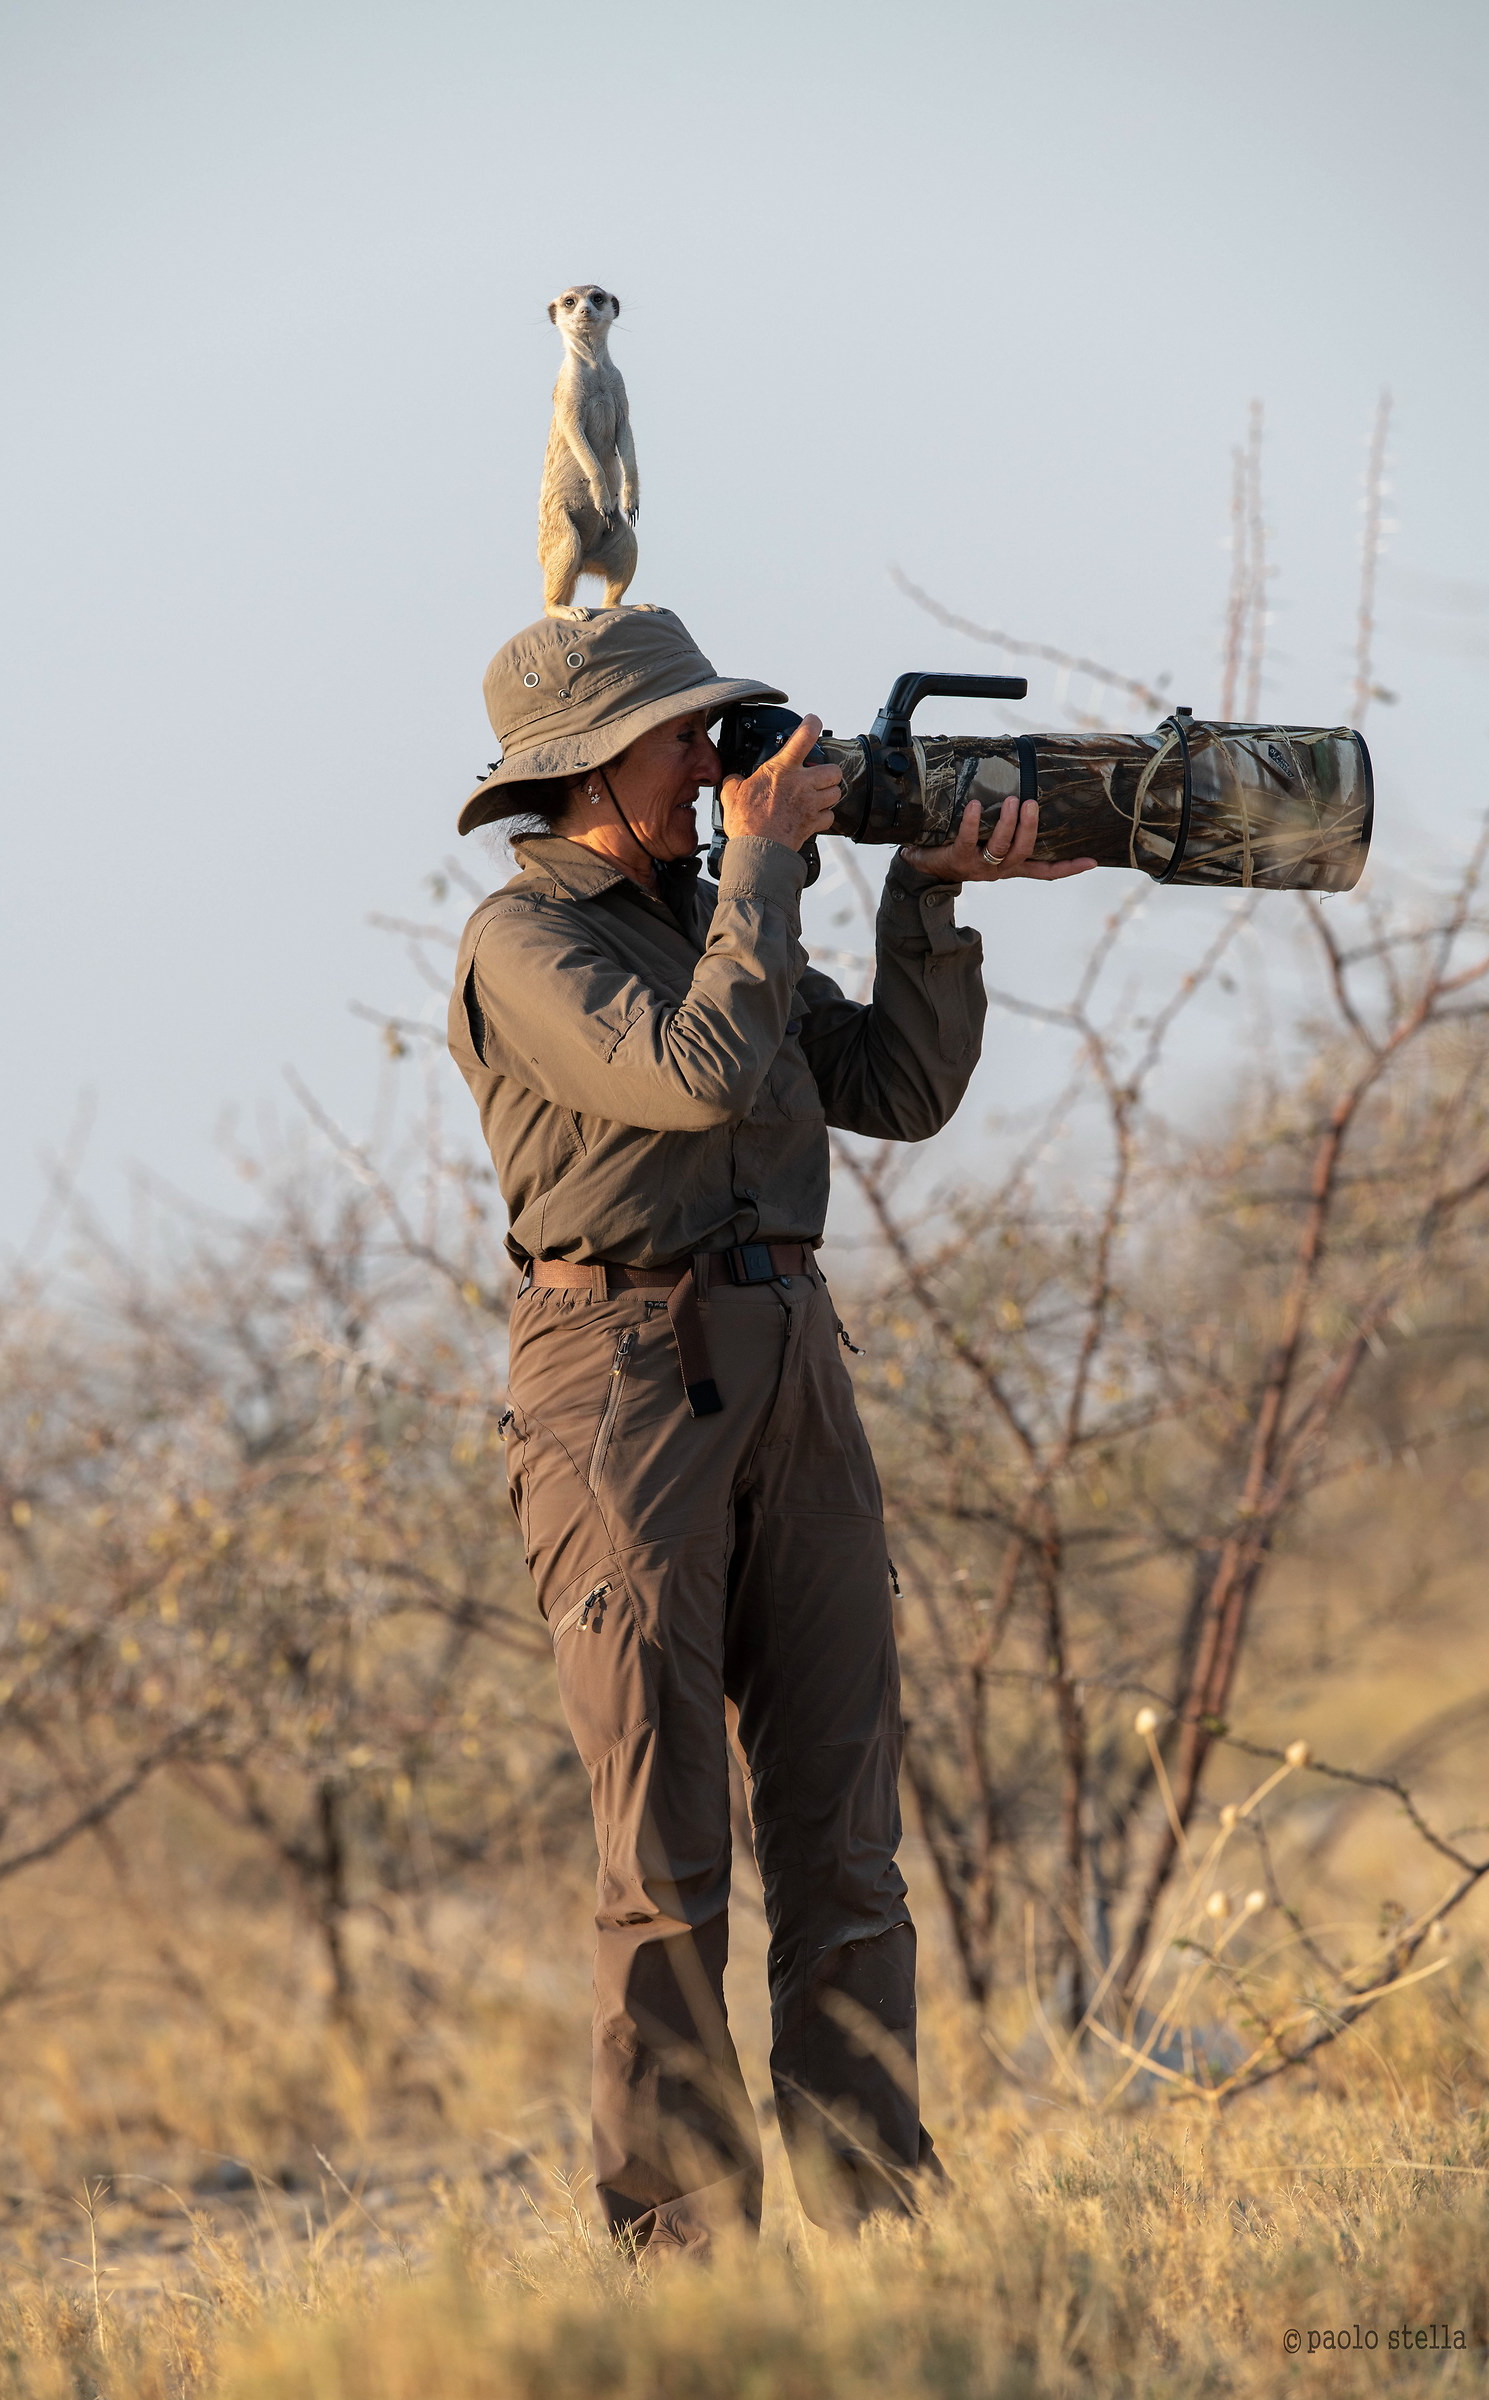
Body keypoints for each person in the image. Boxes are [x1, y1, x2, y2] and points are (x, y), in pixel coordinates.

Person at [448, 604, 1093, 2256]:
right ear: (595, 769)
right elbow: (703, 1068)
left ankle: (881, 2230)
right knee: (666, 1854)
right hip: (622, 1381)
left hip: (794, 1354)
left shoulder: (719, 905)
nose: (729, 762)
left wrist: (931, 893)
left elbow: (896, 1087)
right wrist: (763, 870)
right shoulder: (529, 943)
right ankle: (687, 2265)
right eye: (694, 738)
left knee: (845, 1830)